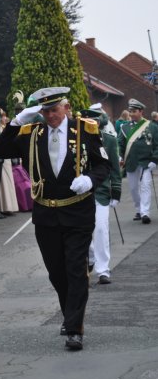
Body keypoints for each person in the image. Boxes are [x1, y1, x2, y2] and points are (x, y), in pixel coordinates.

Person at [0, 87, 111, 351]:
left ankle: (74, 328)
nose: (50, 116)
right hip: (46, 214)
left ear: (66, 108)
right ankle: (69, 313)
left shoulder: (84, 130)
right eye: (45, 111)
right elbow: (0, 150)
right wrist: (16, 122)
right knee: (57, 272)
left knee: (75, 269)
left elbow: (104, 165)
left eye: (54, 110)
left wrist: (90, 180)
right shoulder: (32, 134)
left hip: (77, 212)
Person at [80, 109, 121, 285]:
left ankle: (103, 270)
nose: (91, 125)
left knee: (101, 229)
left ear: (98, 122)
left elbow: (114, 167)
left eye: (94, 122)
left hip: (101, 192)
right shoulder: (76, 139)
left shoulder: (109, 140)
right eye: (86, 122)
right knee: (84, 230)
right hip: (80, 193)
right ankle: (90, 257)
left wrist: (116, 191)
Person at [117, 98, 158, 224]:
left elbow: (157, 145)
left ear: (141, 112)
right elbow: (120, 144)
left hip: (146, 163)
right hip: (131, 162)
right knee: (134, 188)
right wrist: (120, 156)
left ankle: (145, 212)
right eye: (130, 111)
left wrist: (155, 160)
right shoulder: (124, 127)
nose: (131, 114)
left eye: (134, 111)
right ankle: (139, 209)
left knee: (145, 186)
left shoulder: (152, 127)